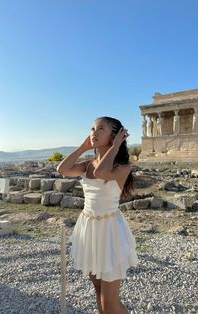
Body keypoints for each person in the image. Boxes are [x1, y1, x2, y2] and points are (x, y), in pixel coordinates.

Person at [57, 116, 139, 314]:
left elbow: (103, 171)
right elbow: (62, 169)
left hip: (110, 232)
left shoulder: (123, 167)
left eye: (100, 128)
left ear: (115, 135)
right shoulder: (86, 165)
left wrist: (116, 146)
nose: (94, 132)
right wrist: (83, 147)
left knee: (110, 304)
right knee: (99, 290)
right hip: (89, 229)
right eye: (92, 128)